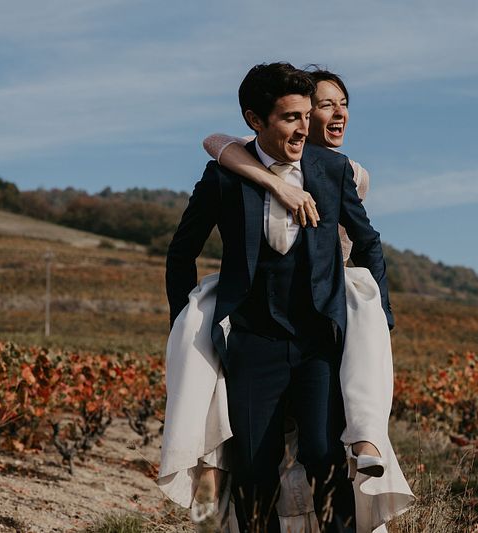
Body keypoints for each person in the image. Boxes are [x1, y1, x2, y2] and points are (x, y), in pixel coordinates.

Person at [160, 63, 412, 532]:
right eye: (290, 118)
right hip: (253, 342)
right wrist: (182, 322)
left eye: (306, 116)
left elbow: (369, 242)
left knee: (323, 454)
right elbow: (181, 252)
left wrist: (381, 316)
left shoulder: (333, 170)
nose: (302, 128)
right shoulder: (224, 178)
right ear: (255, 120)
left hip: (318, 341)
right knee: (255, 466)